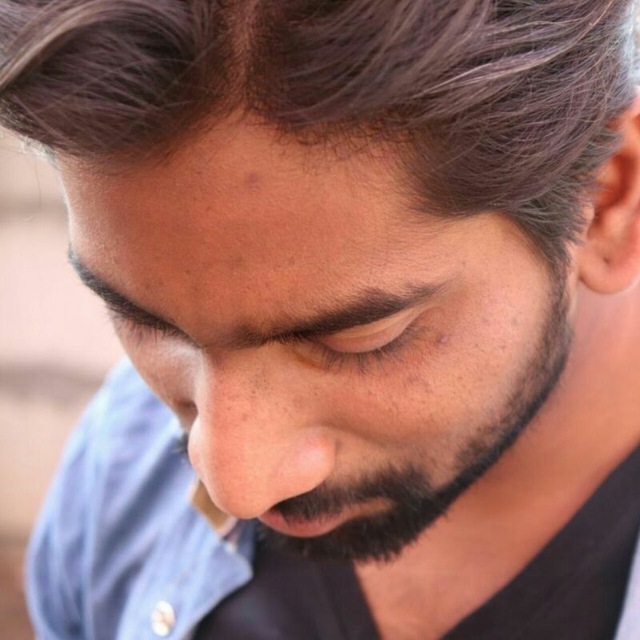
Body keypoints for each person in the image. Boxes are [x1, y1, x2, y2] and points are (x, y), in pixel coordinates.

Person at [2, 0, 640, 638]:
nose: (234, 485)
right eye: (150, 323)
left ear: (608, 200)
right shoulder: (118, 471)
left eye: (356, 339)